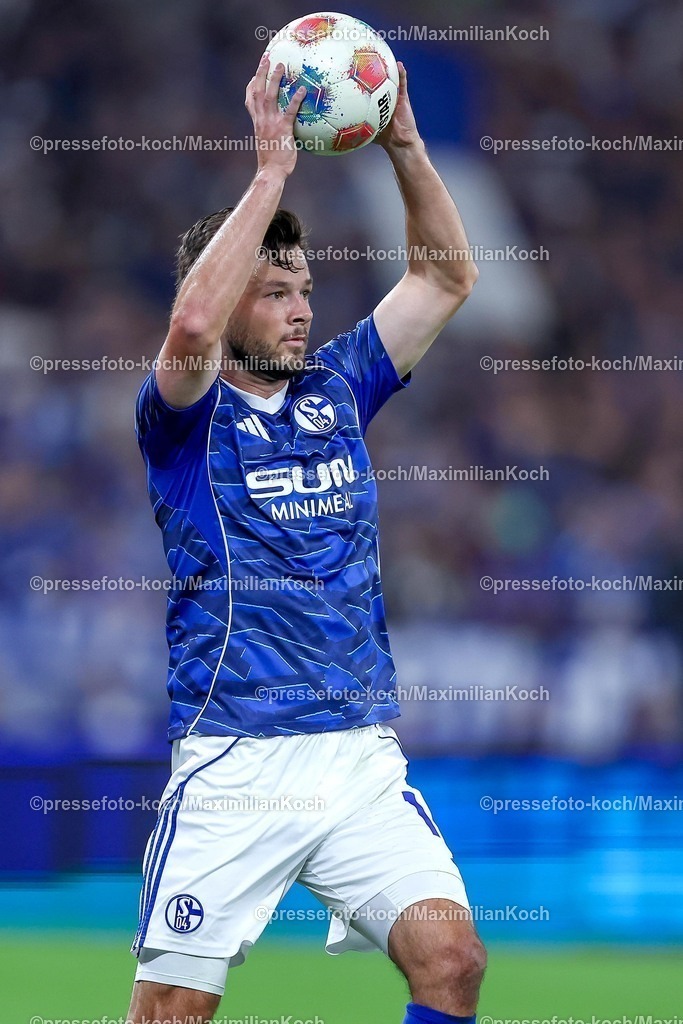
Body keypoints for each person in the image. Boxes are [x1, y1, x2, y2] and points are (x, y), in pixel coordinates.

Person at [127, 52, 483, 1024]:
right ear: (232, 299)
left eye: (305, 290)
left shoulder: (337, 385)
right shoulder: (184, 421)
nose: (302, 310)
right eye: (275, 292)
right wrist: (272, 172)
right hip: (236, 759)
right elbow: (190, 325)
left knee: (451, 961)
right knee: (170, 1010)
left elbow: (445, 277)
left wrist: (404, 145)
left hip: (356, 753)